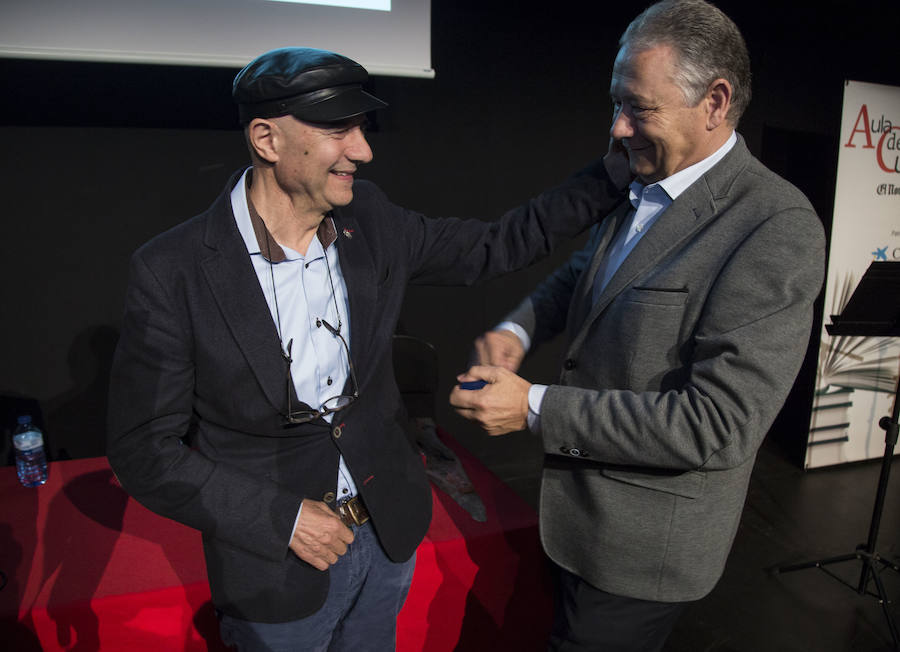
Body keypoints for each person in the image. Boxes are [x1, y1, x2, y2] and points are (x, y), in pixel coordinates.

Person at [106, 47, 630, 651]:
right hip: (277, 571)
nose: (363, 150)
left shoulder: (372, 219)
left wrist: (611, 177)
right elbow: (145, 450)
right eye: (338, 130)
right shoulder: (173, 271)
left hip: (387, 534)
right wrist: (283, 520)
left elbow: (498, 244)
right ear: (266, 139)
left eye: (361, 129)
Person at [450, 1, 826, 650]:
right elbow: (583, 277)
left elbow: (717, 425)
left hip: (640, 559)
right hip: (572, 520)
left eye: (638, 107)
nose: (618, 128)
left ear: (715, 102)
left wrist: (535, 407)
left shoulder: (776, 228)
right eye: (614, 103)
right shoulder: (640, 173)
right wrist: (518, 331)